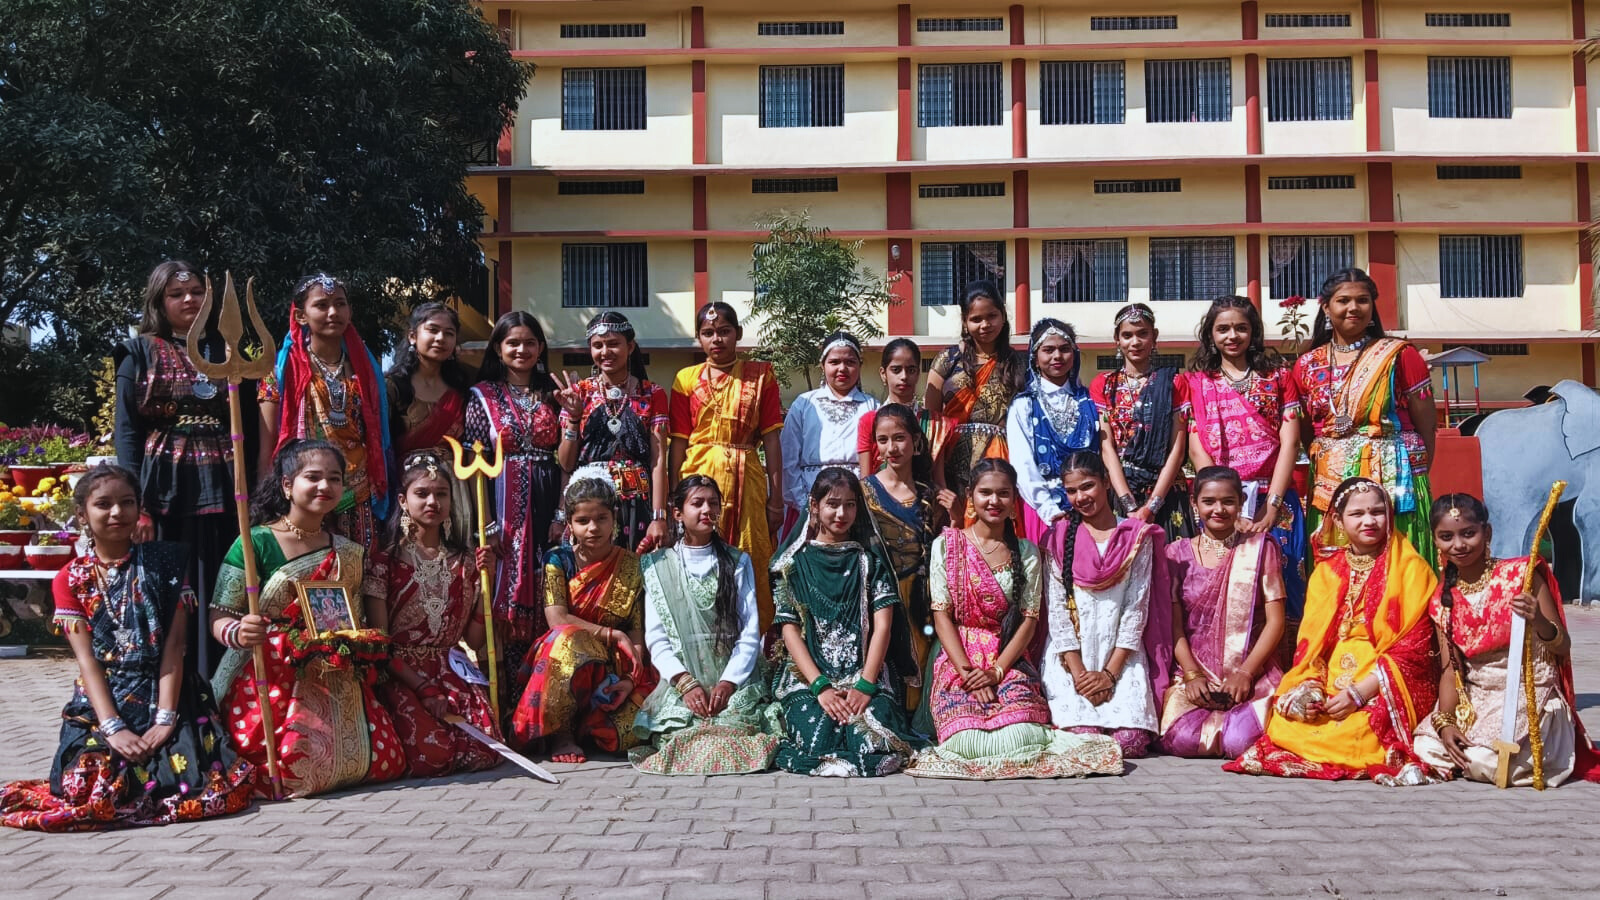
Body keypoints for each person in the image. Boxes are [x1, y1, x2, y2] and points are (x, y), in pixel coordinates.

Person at [0, 465, 254, 831]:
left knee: (190, 783)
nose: (117, 512)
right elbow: (87, 661)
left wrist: (164, 720)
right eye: (103, 504)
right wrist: (112, 727)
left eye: (127, 502)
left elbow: (175, 646)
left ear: (139, 509)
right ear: (82, 514)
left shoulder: (165, 565)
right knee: (89, 785)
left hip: (168, 693)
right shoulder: (69, 579)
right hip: (103, 701)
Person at [907, 460, 1124, 781]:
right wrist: (969, 675)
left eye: (1003, 494)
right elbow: (942, 617)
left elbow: (1028, 622)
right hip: (958, 659)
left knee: (1022, 735)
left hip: (1007, 658)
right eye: (985, 493)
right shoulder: (947, 545)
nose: (994, 501)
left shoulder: (1026, 552)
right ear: (970, 496)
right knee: (966, 741)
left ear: (1014, 501)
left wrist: (996, 672)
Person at [210, 440, 404, 797]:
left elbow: (352, 619)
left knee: (380, 762)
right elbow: (220, 612)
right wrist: (239, 631)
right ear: (287, 485)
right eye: (312, 477)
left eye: (334, 478)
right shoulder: (255, 543)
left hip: (336, 673)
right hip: (269, 673)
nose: (324, 486)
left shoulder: (348, 552)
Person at [1225, 477, 1439, 782]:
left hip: (1381, 679)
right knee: (1288, 722)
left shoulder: (1411, 568)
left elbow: (1415, 648)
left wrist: (1360, 692)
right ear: (1339, 521)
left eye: (1377, 512)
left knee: (1362, 732)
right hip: (1330, 676)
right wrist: (1311, 688)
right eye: (1357, 514)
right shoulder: (1327, 571)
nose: (1369, 521)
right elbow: (1311, 645)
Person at [113, 260, 253, 674]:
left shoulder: (229, 351)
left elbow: (250, 422)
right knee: (170, 578)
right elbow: (127, 433)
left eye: (196, 292)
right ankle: (172, 681)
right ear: (160, 302)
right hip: (164, 486)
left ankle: (219, 679)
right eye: (176, 294)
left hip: (225, 482)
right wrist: (136, 505)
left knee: (221, 573)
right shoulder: (138, 352)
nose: (189, 299)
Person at [1413, 495, 1600, 787]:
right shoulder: (1441, 600)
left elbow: (1563, 646)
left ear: (1487, 533)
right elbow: (1451, 671)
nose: (1459, 545)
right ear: (1435, 540)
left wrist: (1539, 620)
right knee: (1425, 747)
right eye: (1446, 537)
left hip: (1528, 691)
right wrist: (1446, 722)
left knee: (1483, 760)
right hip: (1477, 696)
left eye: (1468, 533)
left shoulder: (1521, 576)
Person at [770, 468, 922, 776]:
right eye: (833, 504)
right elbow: (790, 631)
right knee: (817, 737)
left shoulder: (870, 563)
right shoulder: (793, 566)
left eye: (850, 505)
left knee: (872, 739)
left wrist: (865, 686)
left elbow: (883, 628)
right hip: (809, 679)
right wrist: (821, 688)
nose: (841, 514)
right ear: (814, 506)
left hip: (865, 675)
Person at [367, 452, 500, 778]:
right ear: (403, 500)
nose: (432, 502)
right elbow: (380, 644)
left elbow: (474, 640)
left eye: (441, 494)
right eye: (422, 493)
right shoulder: (384, 561)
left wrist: (488, 582)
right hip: (402, 674)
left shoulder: (465, 561)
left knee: (483, 750)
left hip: (451, 672)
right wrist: (423, 687)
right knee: (432, 754)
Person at [631, 476, 776, 775]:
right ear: (677, 513)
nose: (707, 510)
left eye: (713, 503)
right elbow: (656, 638)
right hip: (681, 681)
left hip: (734, 679)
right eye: (697, 503)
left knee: (735, 734)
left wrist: (728, 683)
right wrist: (685, 683)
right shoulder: (658, 566)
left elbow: (750, 632)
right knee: (684, 737)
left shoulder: (737, 561)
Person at [1292, 268, 1437, 564]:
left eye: (1362, 300)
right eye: (1343, 300)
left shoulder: (1399, 356)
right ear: (1326, 307)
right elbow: (1307, 432)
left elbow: (1426, 425)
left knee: (1399, 563)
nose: (1353, 308)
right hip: (1331, 480)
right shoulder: (1307, 364)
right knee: (1337, 565)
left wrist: (1417, 474)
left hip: (1395, 476)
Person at [512, 478, 657, 763]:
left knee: (627, 734)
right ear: (569, 523)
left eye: (601, 518)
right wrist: (612, 634)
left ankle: (588, 725)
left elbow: (636, 632)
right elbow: (557, 619)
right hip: (564, 657)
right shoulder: (558, 560)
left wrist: (630, 680)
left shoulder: (632, 565)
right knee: (565, 639)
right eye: (582, 521)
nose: (593, 528)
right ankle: (562, 732)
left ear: (614, 518)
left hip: (612, 669)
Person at [1180, 296, 1307, 617]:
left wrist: (1271, 506)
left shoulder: (1278, 377)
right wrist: (1226, 504)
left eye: (1241, 328)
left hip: (1274, 498)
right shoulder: (1196, 383)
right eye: (1223, 329)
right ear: (1210, 334)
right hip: (1220, 506)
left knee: (1283, 586)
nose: (1232, 336)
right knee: (1225, 590)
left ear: (1253, 332)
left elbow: (1290, 443)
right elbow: (1196, 449)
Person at [466, 311, 564, 723]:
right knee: (503, 597)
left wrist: (562, 511)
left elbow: (567, 457)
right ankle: (507, 710)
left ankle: (547, 709)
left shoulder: (554, 393)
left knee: (550, 589)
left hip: (549, 501)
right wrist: (485, 523)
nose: (521, 350)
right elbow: (474, 463)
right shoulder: (482, 396)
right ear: (498, 348)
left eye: (529, 342)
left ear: (540, 348)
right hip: (503, 507)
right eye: (513, 343)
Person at [1040, 452, 1171, 759]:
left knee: (1131, 743)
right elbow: (1057, 612)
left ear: (1107, 483)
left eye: (1088, 486)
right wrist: (1080, 675)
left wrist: (1109, 675)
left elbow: (1136, 609)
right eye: (1071, 491)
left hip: (1122, 657)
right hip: (1071, 659)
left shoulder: (1135, 537)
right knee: (1083, 738)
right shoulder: (1058, 538)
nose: (1080, 497)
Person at [669, 302, 785, 627]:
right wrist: (674, 497)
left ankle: (752, 637)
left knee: (751, 553)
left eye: (724, 331)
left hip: (747, 481)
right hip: (698, 478)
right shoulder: (685, 379)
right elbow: (678, 442)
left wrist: (777, 499)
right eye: (708, 333)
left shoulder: (761, 375)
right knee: (701, 554)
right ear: (699, 338)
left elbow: (772, 440)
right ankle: (701, 633)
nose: (716, 339)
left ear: (738, 333)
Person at [1160, 467, 1287, 759]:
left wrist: (1245, 673)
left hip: (1251, 671)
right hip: (1194, 672)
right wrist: (1191, 675)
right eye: (1209, 501)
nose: (1218, 509)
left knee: (1238, 742)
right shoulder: (1176, 553)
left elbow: (1276, 622)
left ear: (1241, 502)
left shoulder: (1260, 548)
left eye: (1228, 501)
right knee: (1183, 740)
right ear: (1194, 503)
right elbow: (1173, 626)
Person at [259, 273, 391, 550]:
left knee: (359, 567)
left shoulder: (366, 370)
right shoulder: (280, 372)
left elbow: (377, 435)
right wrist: (264, 501)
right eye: (321, 305)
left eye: (340, 304)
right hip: (304, 491)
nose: (333, 312)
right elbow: (268, 445)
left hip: (358, 491)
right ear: (300, 316)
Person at [860, 403, 951, 726]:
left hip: (920, 601)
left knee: (922, 661)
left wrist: (955, 516)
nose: (891, 448)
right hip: (878, 598)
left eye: (899, 438)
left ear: (916, 441)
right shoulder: (864, 492)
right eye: (882, 440)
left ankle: (920, 719)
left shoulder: (931, 496)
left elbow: (945, 551)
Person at [552, 311, 670, 554]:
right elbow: (566, 463)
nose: (605, 352)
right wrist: (574, 418)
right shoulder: (579, 393)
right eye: (598, 345)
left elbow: (658, 461)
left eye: (613, 344)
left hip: (637, 503)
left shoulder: (652, 393)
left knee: (634, 571)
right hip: (589, 503)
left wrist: (659, 516)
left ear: (630, 346)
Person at [925, 280, 1027, 522]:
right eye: (976, 319)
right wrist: (938, 481)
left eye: (992, 316)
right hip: (951, 466)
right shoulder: (947, 360)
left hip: (1002, 463)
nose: (985, 325)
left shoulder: (1018, 363)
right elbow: (932, 423)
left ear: (1003, 316)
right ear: (964, 321)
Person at [1090, 303, 1190, 541]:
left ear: (1154, 336)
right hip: (1119, 490)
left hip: (1165, 491)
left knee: (1169, 560)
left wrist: (1152, 506)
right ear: (1117, 339)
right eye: (1127, 335)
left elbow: (1177, 450)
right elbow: (1107, 446)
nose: (1135, 342)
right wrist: (1129, 504)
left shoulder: (1174, 383)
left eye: (1142, 334)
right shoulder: (1103, 384)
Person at [1005, 318, 1101, 544]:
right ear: (1035, 358)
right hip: (1043, 512)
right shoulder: (1024, 405)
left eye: (1064, 349)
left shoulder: (1090, 401)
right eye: (1048, 350)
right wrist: (1049, 510)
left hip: (1092, 508)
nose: (1057, 356)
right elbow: (1023, 464)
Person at [781, 331, 878, 533]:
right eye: (834, 362)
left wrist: (862, 502)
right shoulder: (804, 404)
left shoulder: (872, 407)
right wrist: (806, 505)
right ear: (822, 365)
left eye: (850, 362)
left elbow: (878, 460)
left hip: (855, 502)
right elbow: (788, 460)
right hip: (809, 498)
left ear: (860, 366)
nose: (842, 368)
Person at [385, 302, 473, 459]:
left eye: (449, 333)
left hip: (453, 473)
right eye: (433, 330)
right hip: (403, 472)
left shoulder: (462, 389)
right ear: (412, 336)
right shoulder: (392, 387)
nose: (440, 338)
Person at [856, 338, 930, 475]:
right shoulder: (869, 421)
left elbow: (938, 479)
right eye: (896, 370)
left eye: (911, 370)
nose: (904, 376)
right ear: (883, 374)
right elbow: (866, 478)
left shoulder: (935, 423)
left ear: (918, 373)